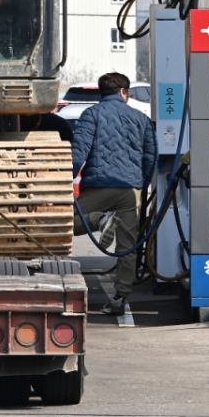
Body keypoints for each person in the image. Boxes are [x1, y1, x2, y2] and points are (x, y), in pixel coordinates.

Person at [70, 72, 156, 315]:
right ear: (123, 91)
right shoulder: (141, 118)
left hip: (98, 187)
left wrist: (68, 176)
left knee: (65, 222)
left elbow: (79, 152)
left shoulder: (91, 115)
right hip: (130, 190)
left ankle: (99, 220)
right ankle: (120, 298)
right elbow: (150, 158)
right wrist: (142, 186)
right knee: (127, 246)